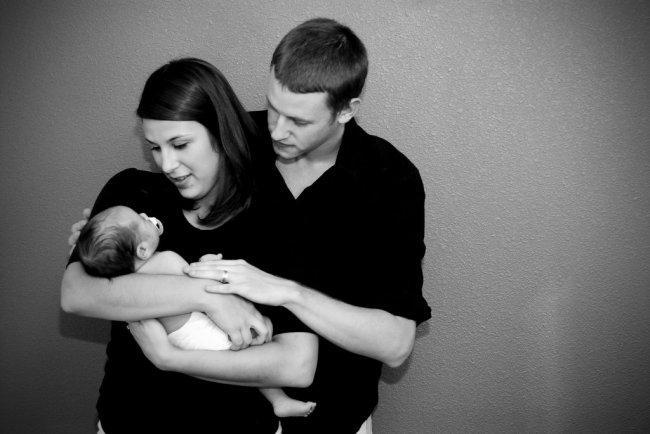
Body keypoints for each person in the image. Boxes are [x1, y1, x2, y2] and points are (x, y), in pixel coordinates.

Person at [171, 18, 431, 433]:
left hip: (334, 419)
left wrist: (287, 292)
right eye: (273, 107)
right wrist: (114, 230)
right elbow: (163, 216)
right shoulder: (236, 141)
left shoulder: (389, 180)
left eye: (299, 121)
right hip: (221, 413)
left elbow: (396, 344)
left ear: (346, 110)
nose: (277, 130)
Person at [61, 58, 318, 433]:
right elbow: (76, 294)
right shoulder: (130, 196)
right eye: (155, 147)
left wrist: (169, 358)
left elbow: (297, 365)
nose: (167, 163)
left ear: (220, 131)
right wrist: (208, 297)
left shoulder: (273, 218)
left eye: (180, 144)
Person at [76, 204, 316, 418]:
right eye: (141, 219)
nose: (145, 215)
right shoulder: (166, 260)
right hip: (199, 332)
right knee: (257, 340)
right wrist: (208, 263)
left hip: (178, 339)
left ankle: (278, 401)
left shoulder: (125, 282)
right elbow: (196, 280)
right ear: (142, 250)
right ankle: (279, 400)